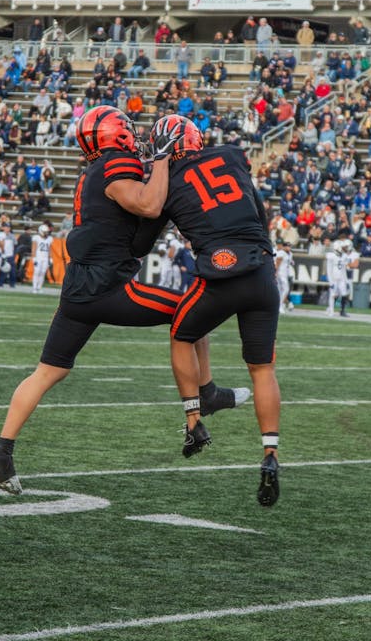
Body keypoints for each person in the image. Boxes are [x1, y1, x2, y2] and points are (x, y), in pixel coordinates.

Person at [0, 107, 248, 496]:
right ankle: (205, 394)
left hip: (80, 286)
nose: (133, 133)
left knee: (49, 371)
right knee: (192, 312)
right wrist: (160, 160)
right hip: (105, 285)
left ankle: (1, 452)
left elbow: (140, 237)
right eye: (126, 128)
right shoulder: (114, 163)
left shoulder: (98, 168)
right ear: (114, 134)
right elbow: (148, 205)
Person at [139, 114, 281, 507]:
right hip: (260, 271)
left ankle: (193, 420)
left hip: (217, 275)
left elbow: (146, 230)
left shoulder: (166, 183)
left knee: (182, 333)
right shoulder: (232, 157)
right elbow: (257, 209)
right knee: (262, 369)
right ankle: (270, 453)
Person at [31, 222, 53, 294]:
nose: (46, 233)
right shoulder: (36, 238)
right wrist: (34, 258)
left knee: (43, 273)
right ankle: (34, 287)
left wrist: (50, 258)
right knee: (37, 272)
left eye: (47, 232)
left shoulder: (49, 238)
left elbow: (50, 249)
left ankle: (39, 287)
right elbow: (34, 248)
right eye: (45, 232)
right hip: (38, 258)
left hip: (45, 258)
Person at [274, 240, 294, 313]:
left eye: (289, 246)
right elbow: (277, 264)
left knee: (282, 290)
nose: (289, 248)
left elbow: (289, 262)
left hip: (286, 273)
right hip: (280, 273)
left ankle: (279, 305)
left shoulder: (290, 254)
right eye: (287, 246)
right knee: (285, 289)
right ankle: (280, 305)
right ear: (284, 247)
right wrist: (275, 273)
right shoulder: (281, 253)